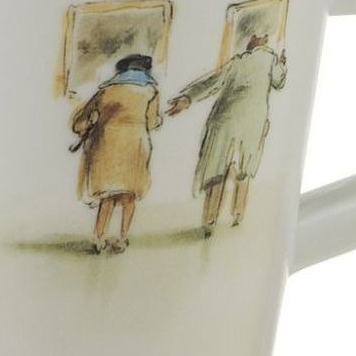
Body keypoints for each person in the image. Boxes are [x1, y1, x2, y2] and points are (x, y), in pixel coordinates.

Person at [167, 34, 287, 235]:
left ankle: (209, 220)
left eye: (253, 37)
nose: (250, 40)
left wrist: (188, 97)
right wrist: (282, 65)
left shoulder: (238, 62)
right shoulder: (270, 60)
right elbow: (279, 82)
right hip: (252, 123)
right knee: (244, 169)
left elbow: (213, 82)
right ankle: (238, 213)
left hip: (224, 121)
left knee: (217, 170)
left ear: (258, 39)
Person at [71, 54, 163, 253]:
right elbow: (152, 122)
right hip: (135, 145)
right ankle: (122, 238)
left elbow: (80, 123)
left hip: (106, 144)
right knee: (129, 196)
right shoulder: (150, 91)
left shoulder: (106, 91)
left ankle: (99, 237)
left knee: (107, 196)